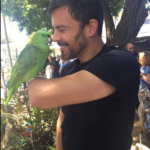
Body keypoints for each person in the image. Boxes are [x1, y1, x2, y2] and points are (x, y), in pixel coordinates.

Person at [27, 0, 140, 150]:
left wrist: (33, 80)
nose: (54, 38)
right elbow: (62, 120)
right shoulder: (67, 70)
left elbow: (37, 95)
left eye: (61, 29)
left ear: (90, 28)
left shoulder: (120, 62)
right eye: (54, 29)